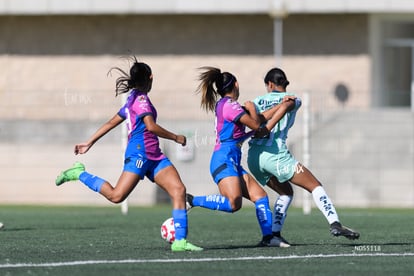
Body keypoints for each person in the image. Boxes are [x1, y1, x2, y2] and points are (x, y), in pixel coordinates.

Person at [55, 56, 203, 252]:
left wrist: (89, 142)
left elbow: (110, 122)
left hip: (155, 156)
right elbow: (150, 126)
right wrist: (176, 137)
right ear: (150, 78)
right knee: (117, 196)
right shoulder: (141, 100)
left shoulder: (133, 99)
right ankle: (79, 173)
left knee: (178, 190)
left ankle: (180, 241)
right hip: (140, 154)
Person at [247, 67, 360, 246]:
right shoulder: (293, 99)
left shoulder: (257, 101)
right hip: (276, 156)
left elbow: (251, 119)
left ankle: (272, 235)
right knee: (315, 186)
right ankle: (335, 223)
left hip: (253, 157)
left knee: (285, 192)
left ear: (269, 84)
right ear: (284, 83)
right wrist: (268, 128)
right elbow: (285, 106)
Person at [186, 66, 295, 247]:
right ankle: (191, 200)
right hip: (223, 160)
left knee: (260, 196)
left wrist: (281, 105)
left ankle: (269, 237)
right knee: (233, 204)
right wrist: (253, 109)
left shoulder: (230, 106)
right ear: (236, 84)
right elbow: (256, 125)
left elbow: (259, 118)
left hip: (231, 161)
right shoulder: (230, 106)